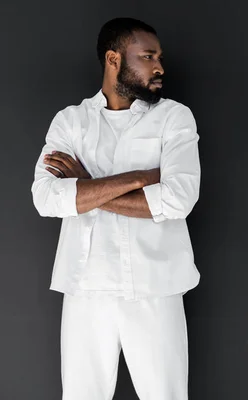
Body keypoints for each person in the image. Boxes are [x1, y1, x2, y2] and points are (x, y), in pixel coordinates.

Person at [31, 17, 200, 400]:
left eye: (159, 57)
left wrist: (86, 185)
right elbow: (46, 198)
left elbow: (178, 199)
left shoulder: (174, 117)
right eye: (147, 56)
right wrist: (141, 177)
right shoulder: (70, 122)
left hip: (156, 287)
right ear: (114, 59)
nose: (160, 67)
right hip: (85, 289)